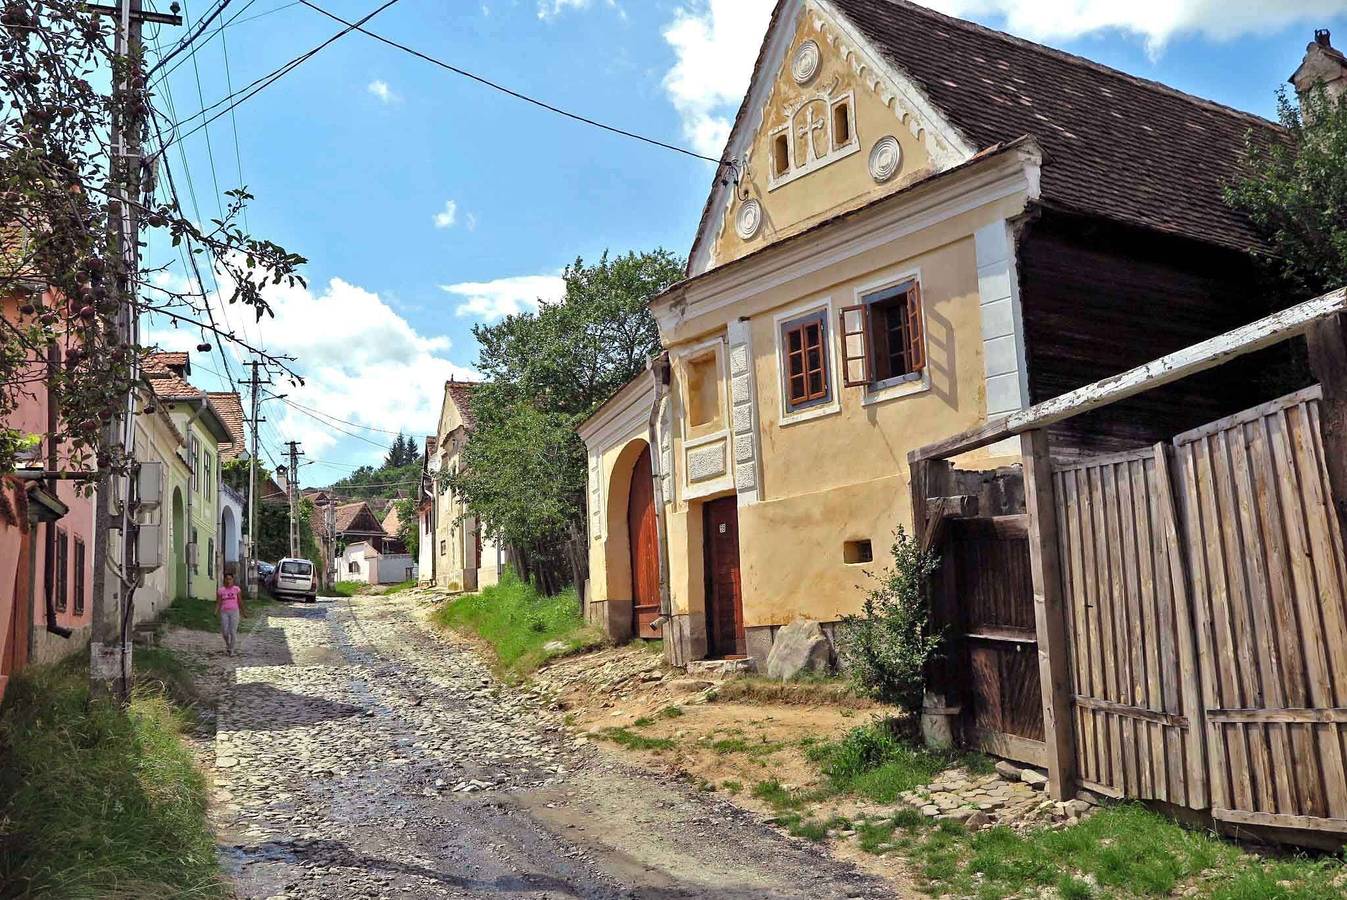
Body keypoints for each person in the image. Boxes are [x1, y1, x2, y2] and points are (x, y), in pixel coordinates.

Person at [216, 573, 245, 656]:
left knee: (233, 631)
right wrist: (215, 611)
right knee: (225, 632)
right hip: (224, 612)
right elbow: (218, 602)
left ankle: (232, 649)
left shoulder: (236, 589)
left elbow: (240, 601)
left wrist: (243, 612)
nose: (228, 581)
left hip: (234, 611)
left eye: (230, 579)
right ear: (224, 580)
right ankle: (228, 645)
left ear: (233, 580)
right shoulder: (221, 590)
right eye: (227, 579)